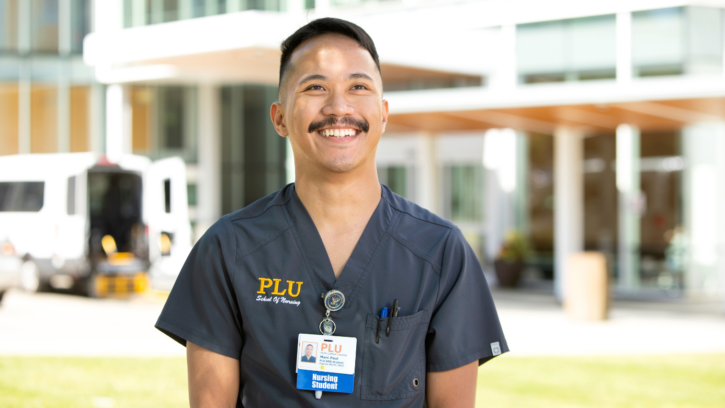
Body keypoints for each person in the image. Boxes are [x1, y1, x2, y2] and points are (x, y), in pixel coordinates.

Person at [155, 17, 508, 408]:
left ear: (384, 114)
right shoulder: (227, 249)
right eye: (315, 87)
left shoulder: (440, 251)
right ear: (279, 117)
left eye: (358, 87)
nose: (339, 107)